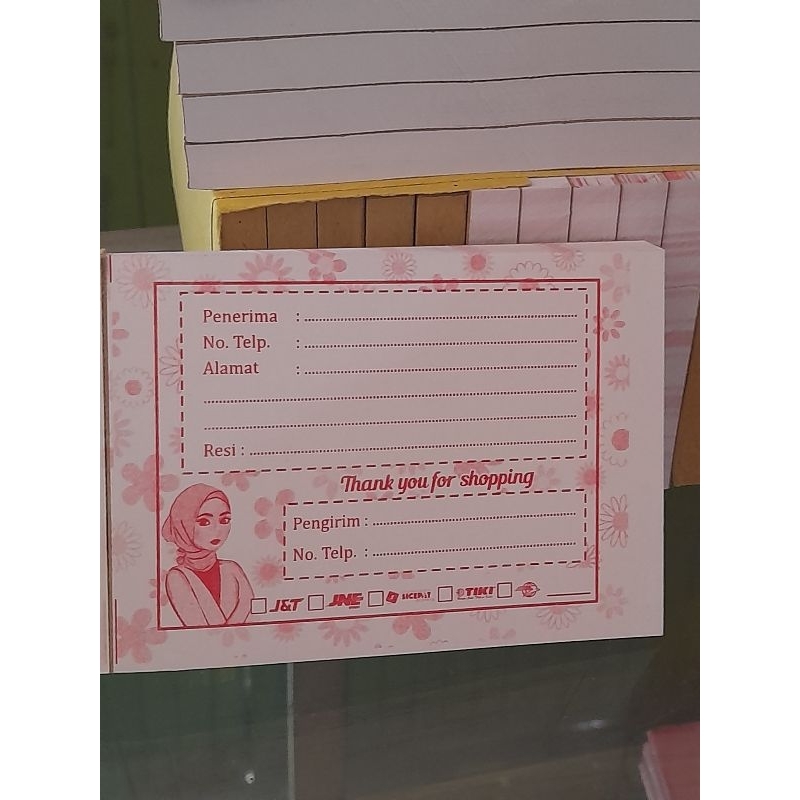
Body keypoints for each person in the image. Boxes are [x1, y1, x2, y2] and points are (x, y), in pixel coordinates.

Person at [161, 483, 254, 627]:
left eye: (224, 520)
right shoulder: (177, 576)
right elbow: (198, 626)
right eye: (204, 522)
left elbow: (250, 607)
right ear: (183, 525)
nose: (217, 530)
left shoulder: (232, 568)